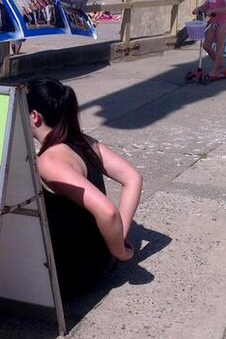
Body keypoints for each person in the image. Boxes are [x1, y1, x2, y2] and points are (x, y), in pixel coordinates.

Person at [25, 77, 142, 296]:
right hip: (95, 262)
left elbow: (107, 212)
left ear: (34, 116)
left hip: (74, 275)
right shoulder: (84, 141)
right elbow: (133, 178)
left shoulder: (50, 161)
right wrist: (120, 236)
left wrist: (119, 251)